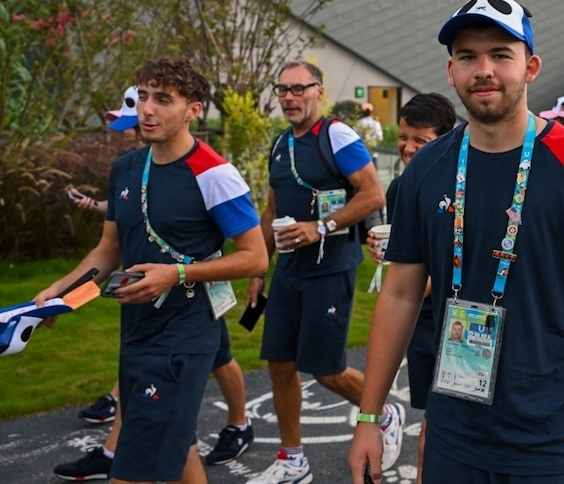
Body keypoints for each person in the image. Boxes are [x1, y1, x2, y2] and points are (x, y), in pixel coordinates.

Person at [349, 0, 564, 484]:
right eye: (468, 56)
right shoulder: (425, 172)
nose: (484, 69)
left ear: (531, 67)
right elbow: (398, 295)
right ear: (450, 70)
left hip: (562, 443)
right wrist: (370, 419)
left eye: (501, 55)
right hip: (456, 438)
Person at [35, 56, 268, 484]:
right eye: (143, 96)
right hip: (137, 330)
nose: (147, 109)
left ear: (193, 110)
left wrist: (177, 274)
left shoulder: (215, 173)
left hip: (184, 337)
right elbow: (107, 252)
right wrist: (60, 292)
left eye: (163, 99)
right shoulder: (126, 167)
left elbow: (255, 257)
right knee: (178, 448)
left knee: (131, 469)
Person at [245, 61, 400, 484]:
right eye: (283, 90)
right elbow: (272, 211)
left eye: (299, 89)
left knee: (326, 369)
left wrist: (322, 226)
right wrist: (259, 269)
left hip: (330, 267)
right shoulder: (279, 143)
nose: (290, 97)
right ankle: (293, 460)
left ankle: (384, 412)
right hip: (289, 269)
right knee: (280, 364)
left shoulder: (336, 135)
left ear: (319, 90)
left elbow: (372, 193)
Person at [365, 92, 456, 484]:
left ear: (445, 138)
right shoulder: (401, 188)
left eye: (420, 139)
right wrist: (383, 252)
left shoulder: (462, 181)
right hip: (420, 321)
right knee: (432, 419)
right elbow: (408, 260)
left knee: (442, 426)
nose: (408, 147)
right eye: (403, 137)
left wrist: (419, 282)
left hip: (461, 323)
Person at [68, 86, 146, 214]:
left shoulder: (165, 160)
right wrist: (93, 204)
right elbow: (119, 203)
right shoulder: (125, 162)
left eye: (130, 122)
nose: (124, 128)